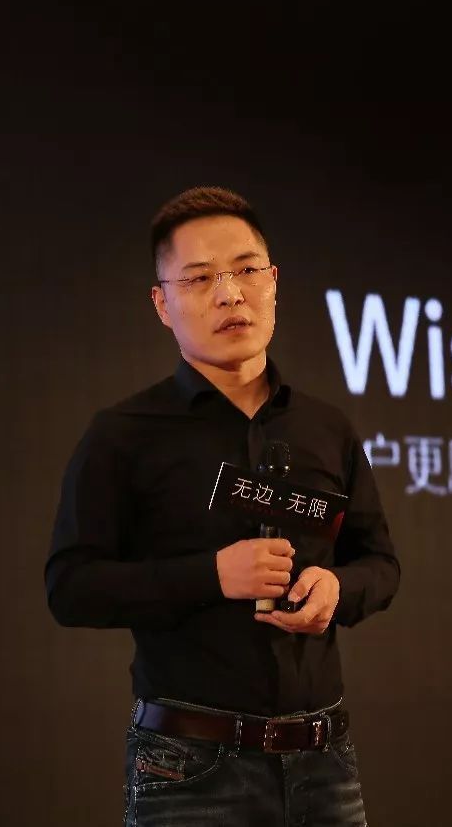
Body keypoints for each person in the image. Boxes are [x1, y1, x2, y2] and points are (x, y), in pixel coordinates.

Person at [44, 186, 400, 826]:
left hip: (324, 762)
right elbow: (71, 588)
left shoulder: (327, 429)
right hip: (188, 765)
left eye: (246, 270)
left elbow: (380, 563)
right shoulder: (124, 434)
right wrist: (211, 576)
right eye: (200, 278)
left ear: (274, 281)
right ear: (162, 303)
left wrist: (337, 590)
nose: (230, 294)